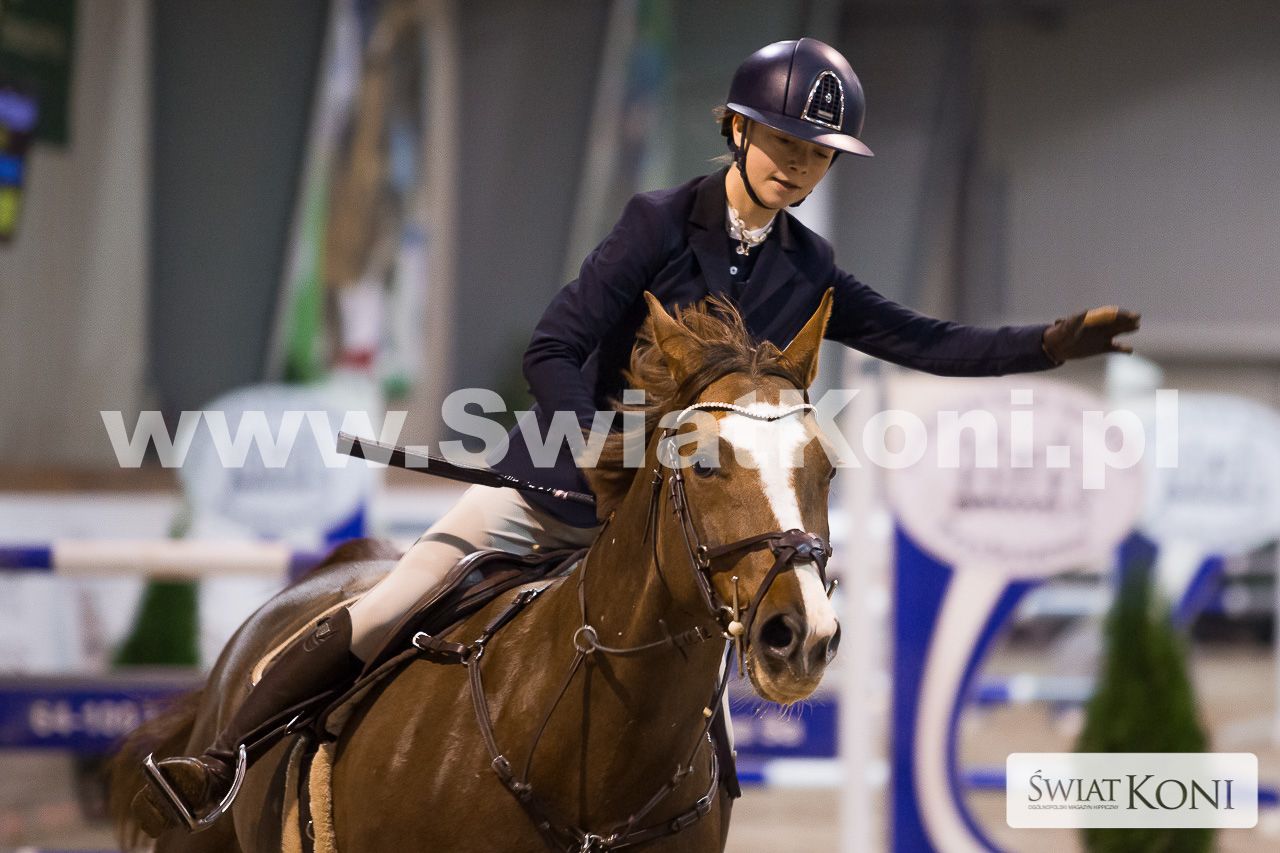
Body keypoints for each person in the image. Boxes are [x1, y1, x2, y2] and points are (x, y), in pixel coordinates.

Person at [132, 36, 1139, 835]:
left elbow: (925, 339)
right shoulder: (658, 222)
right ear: (735, 129)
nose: (797, 168)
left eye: (816, 155)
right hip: (555, 497)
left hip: (675, 539)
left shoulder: (810, 265)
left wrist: (1048, 344)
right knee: (397, 596)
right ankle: (217, 758)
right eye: (783, 144)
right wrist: (589, 442)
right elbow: (555, 346)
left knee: (694, 692)